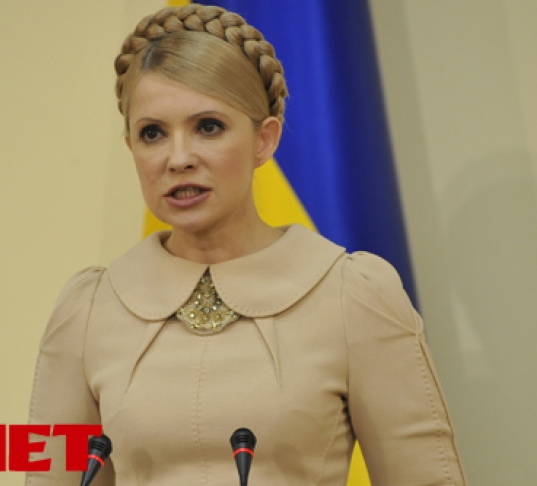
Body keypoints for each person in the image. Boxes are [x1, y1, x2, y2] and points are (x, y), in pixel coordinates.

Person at [26, 4, 466, 485]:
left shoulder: (354, 295)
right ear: (131, 146)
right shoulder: (88, 311)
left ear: (264, 140)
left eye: (207, 127)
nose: (178, 158)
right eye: (152, 133)